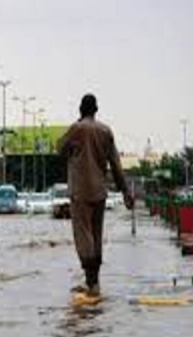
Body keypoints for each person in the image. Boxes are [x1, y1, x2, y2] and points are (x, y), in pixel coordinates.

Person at [58, 94, 134, 296]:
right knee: (96, 235)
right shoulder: (106, 131)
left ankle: (91, 284)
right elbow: (116, 165)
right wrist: (126, 191)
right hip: (100, 191)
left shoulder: (77, 129)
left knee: (83, 236)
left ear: (80, 109)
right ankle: (95, 282)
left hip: (80, 192)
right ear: (96, 110)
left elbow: (59, 148)